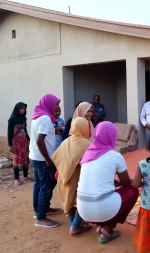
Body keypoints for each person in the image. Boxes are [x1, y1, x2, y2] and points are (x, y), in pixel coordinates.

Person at [77, 121, 139, 244]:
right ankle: (108, 227)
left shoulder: (87, 154)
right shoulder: (115, 155)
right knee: (132, 191)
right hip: (101, 208)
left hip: (83, 209)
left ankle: (101, 224)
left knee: (107, 193)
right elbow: (126, 183)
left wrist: (111, 181)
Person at [52, 117, 92, 235]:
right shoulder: (87, 144)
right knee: (80, 200)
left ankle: (74, 223)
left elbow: (56, 157)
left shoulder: (66, 141)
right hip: (77, 178)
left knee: (68, 200)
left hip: (63, 177)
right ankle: (75, 226)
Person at [29, 94, 62, 228]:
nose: (57, 108)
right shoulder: (46, 119)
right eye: (56, 104)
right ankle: (41, 217)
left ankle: (39, 210)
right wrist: (48, 159)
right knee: (46, 185)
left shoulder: (37, 116)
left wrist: (55, 130)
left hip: (35, 156)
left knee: (39, 184)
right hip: (43, 159)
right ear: (48, 104)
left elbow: (41, 134)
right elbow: (39, 140)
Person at [7, 102, 32, 186]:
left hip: (24, 141)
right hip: (16, 142)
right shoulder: (12, 119)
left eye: (24, 108)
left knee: (25, 157)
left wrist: (29, 139)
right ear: (17, 109)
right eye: (21, 108)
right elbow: (9, 132)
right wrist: (10, 144)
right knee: (17, 158)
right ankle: (16, 179)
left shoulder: (24, 118)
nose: (23, 110)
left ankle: (25, 176)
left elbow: (25, 129)